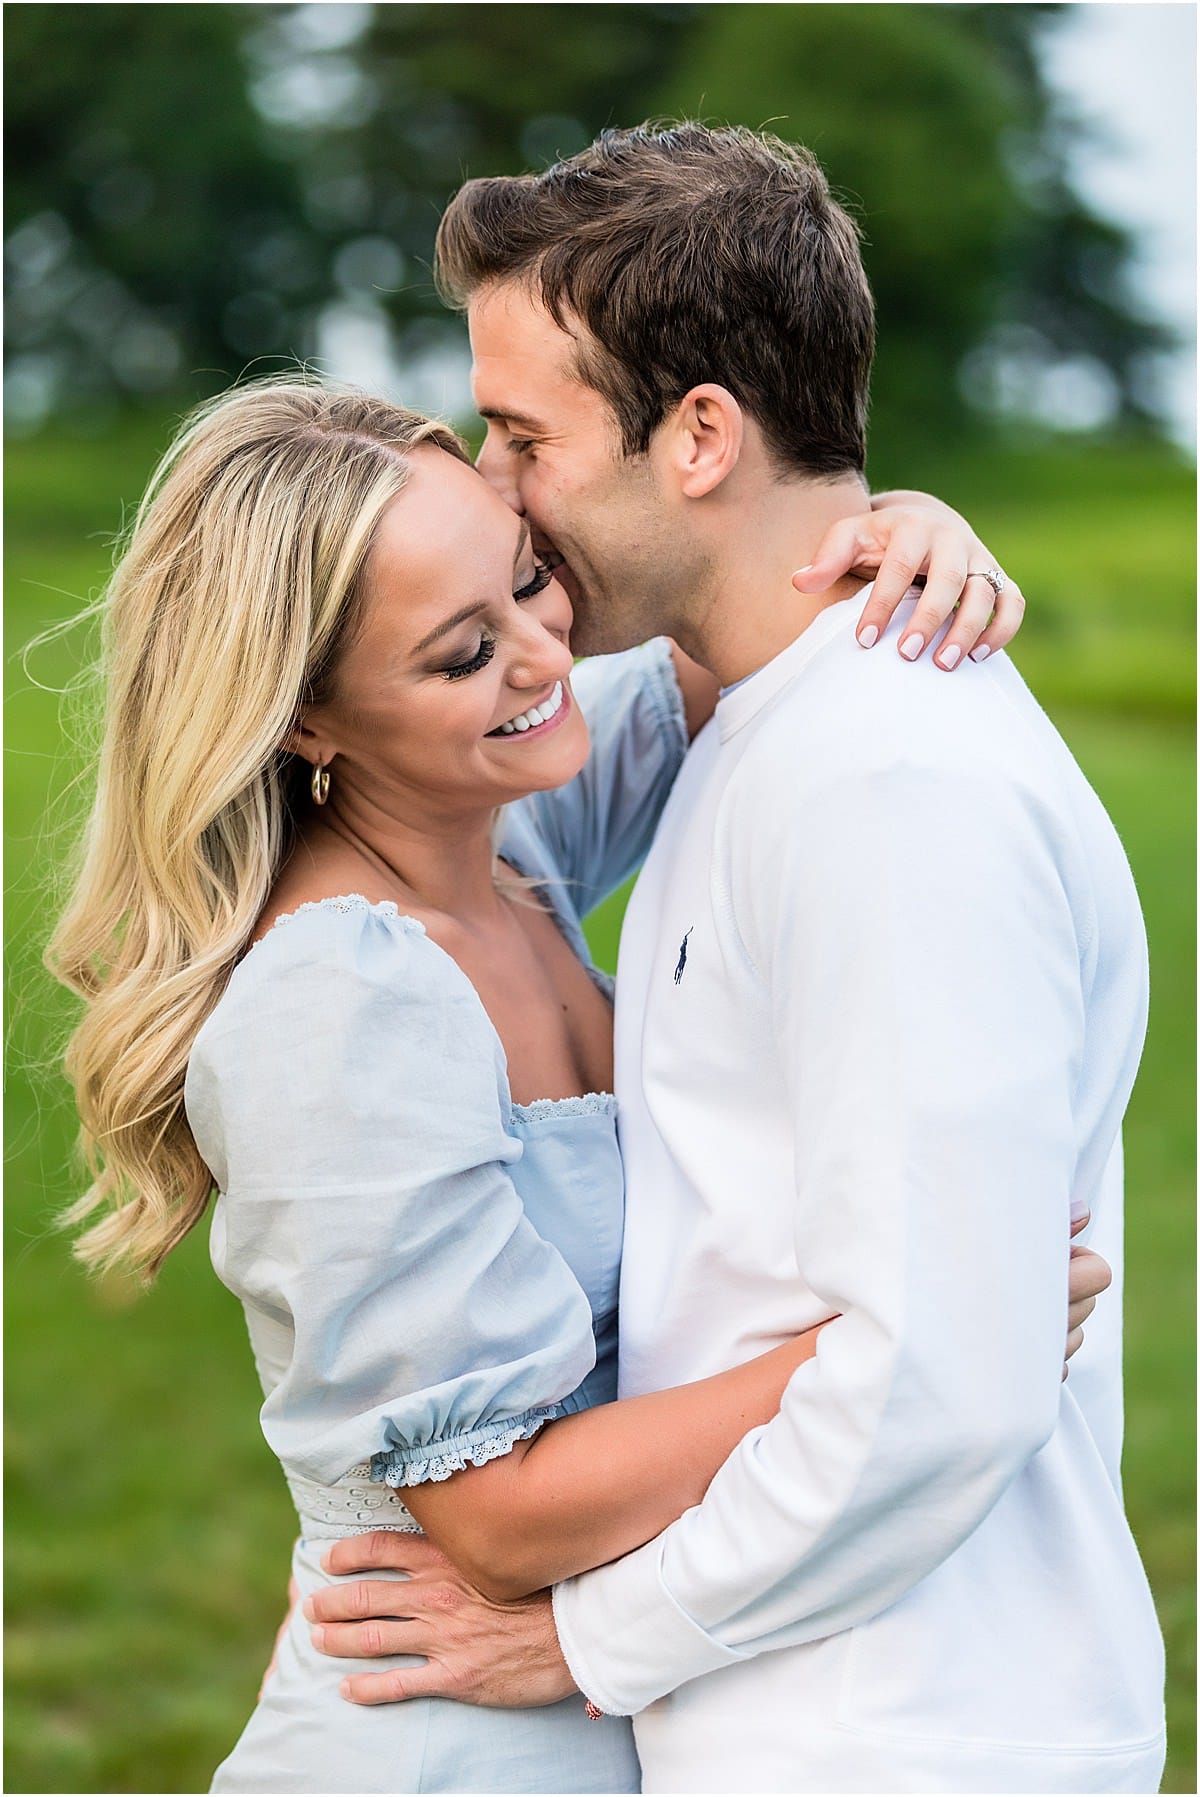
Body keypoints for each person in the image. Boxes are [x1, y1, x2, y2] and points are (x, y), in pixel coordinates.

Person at [47, 372, 1083, 1792]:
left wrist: (902, 530)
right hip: (441, 1735)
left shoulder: (505, 842)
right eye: (462, 651)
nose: (543, 654)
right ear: (304, 723)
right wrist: (911, 1331)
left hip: (600, 1709)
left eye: (530, 580)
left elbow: (739, 621)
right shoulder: (341, 1002)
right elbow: (498, 1521)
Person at [308, 124, 1167, 1793]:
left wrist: (582, 1641)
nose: (494, 488)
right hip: (809, 1711)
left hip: (906, 1733)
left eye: (524, 433)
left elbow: (939, 1377)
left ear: (699, 435)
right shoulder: (756, 710)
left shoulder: (886, 783)